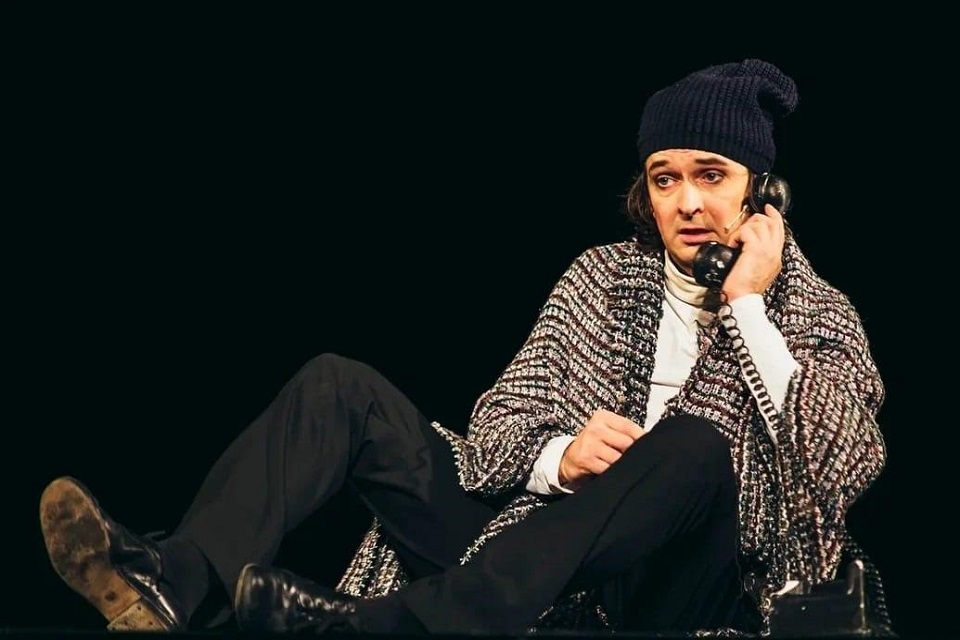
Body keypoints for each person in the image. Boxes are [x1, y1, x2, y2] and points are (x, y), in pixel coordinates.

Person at [39, 58, 888, 636]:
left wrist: (747, 306)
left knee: (694, 446)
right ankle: (173, 586)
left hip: (673, 590)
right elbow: (499, 427)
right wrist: (559, 456)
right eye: (666, 178)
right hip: (535, 560)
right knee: (340, 386)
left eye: (712, 175)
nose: (688, 202)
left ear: (763, 193)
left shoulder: (810, 309)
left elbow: (840, 463)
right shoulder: (601, 279)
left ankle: (393, 626)